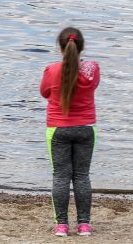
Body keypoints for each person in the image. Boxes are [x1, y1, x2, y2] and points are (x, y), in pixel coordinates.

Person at [39, 27, 100, 237]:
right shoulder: (92, 69)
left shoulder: (51, 70)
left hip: (58, 128)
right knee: (82, 176)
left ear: (60, 47)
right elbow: (92, 86)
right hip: (86, 128)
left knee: (60, 176)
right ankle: (84, 225)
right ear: (81, 47)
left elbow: (44, 92)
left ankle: (62, 225)